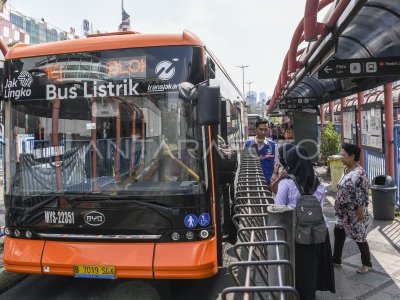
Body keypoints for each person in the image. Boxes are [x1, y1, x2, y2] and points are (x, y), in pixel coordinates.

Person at [275, 146, 335, 299]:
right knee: (312, 269)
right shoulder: (318, 184)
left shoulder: (286, 183)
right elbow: (319, 211)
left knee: (299, 271)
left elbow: (278, 210)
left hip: (296, 235)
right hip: (318, 233)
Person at [332, 143, 372, 274]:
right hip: (342, 213)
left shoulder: (360, 174)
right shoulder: (347, 170)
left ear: (352, 156)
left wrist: (360, 212)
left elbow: (362, 194)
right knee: (338, 232)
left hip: (353, 213)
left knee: (359, 236)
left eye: (344, 155)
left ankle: (367, 263)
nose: (341, 157)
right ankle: (336, 259)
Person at [244, 117, 279, 184]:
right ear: (255, 129)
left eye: (266, 129)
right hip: (251, 182)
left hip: (268, 182)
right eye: (261, 129)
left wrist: (275, 173)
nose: (263, 132)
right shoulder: (247, 145)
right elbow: (245, 165)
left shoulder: (273, 145)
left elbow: (276, 163)